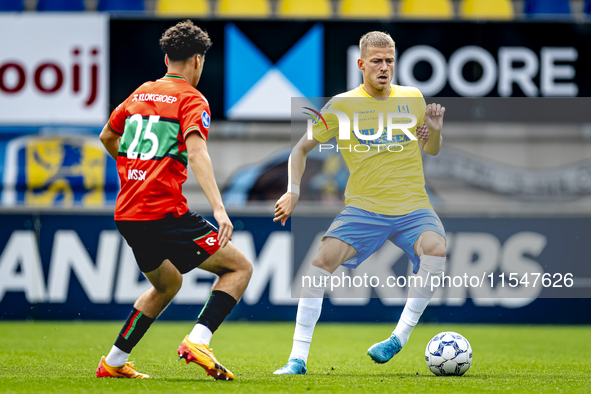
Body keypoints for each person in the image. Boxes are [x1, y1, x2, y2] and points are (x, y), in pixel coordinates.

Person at [273, 31, 447, 375]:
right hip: (364, 208)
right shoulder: (341, 105)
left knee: (437, 248)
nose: (385, 67)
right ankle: (297, 359)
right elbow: (299, 149)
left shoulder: (413, 98)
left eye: (390, 61)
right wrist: (293, 190)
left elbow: (431, 149)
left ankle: (397, 338)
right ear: (361, 64)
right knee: (319, 264)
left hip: (412, 205)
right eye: (377, 61)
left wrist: (435, 130)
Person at [96, 20, 252, 380]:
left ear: (167, 58)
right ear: (197, 60)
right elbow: (197, 153)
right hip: (162, 212)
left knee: (167, 284)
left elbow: (107, 135)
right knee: (239, 268)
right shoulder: (192, 99)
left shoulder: (139, 94)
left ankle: (114, 362)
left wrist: (135, 167)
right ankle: (199, 340)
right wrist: (219, 208)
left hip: (128, 213)